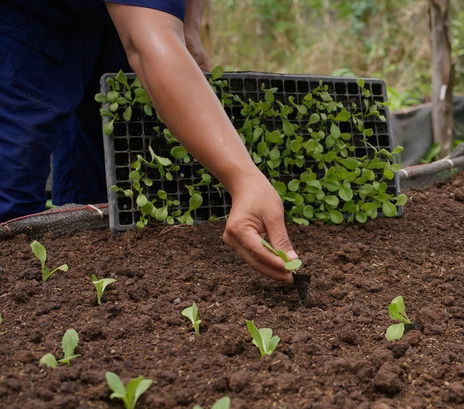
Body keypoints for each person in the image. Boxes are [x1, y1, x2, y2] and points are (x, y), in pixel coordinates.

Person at [0, 1, 298, 283]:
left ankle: (85, 282)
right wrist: (244, 179)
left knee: (105, 165)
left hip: (114, 16)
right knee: (15, 177)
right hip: (27, 17)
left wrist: (189, 28)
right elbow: (147, 42)